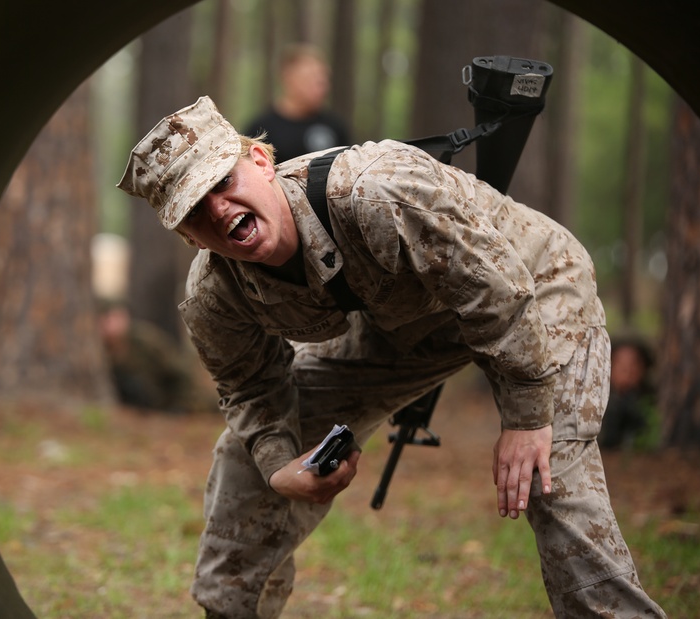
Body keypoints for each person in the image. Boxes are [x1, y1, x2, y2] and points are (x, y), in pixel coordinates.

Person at [116, 95, 666, 619]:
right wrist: (280, 466)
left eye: (223, 181)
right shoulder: (214, 293)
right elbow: (251, 387)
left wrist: (527, 414)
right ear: (188, 235)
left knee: (552, 479)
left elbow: (497, 292)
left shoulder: (375, 192)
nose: (218, 209)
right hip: (405, 323)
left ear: (260, 161)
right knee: (244, 458)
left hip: (533, 290)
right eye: (194, 208)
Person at [242, 43, 352, 161]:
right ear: (288, 78)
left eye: (323, 79)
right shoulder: (261, 130)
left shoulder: (334, 126)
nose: (321, 85)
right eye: (310, 78)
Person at [599, 336, 658, 450]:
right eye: (620, 365)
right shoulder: (596, 399)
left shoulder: (653, 400)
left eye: (633, 365)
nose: (627, 371)